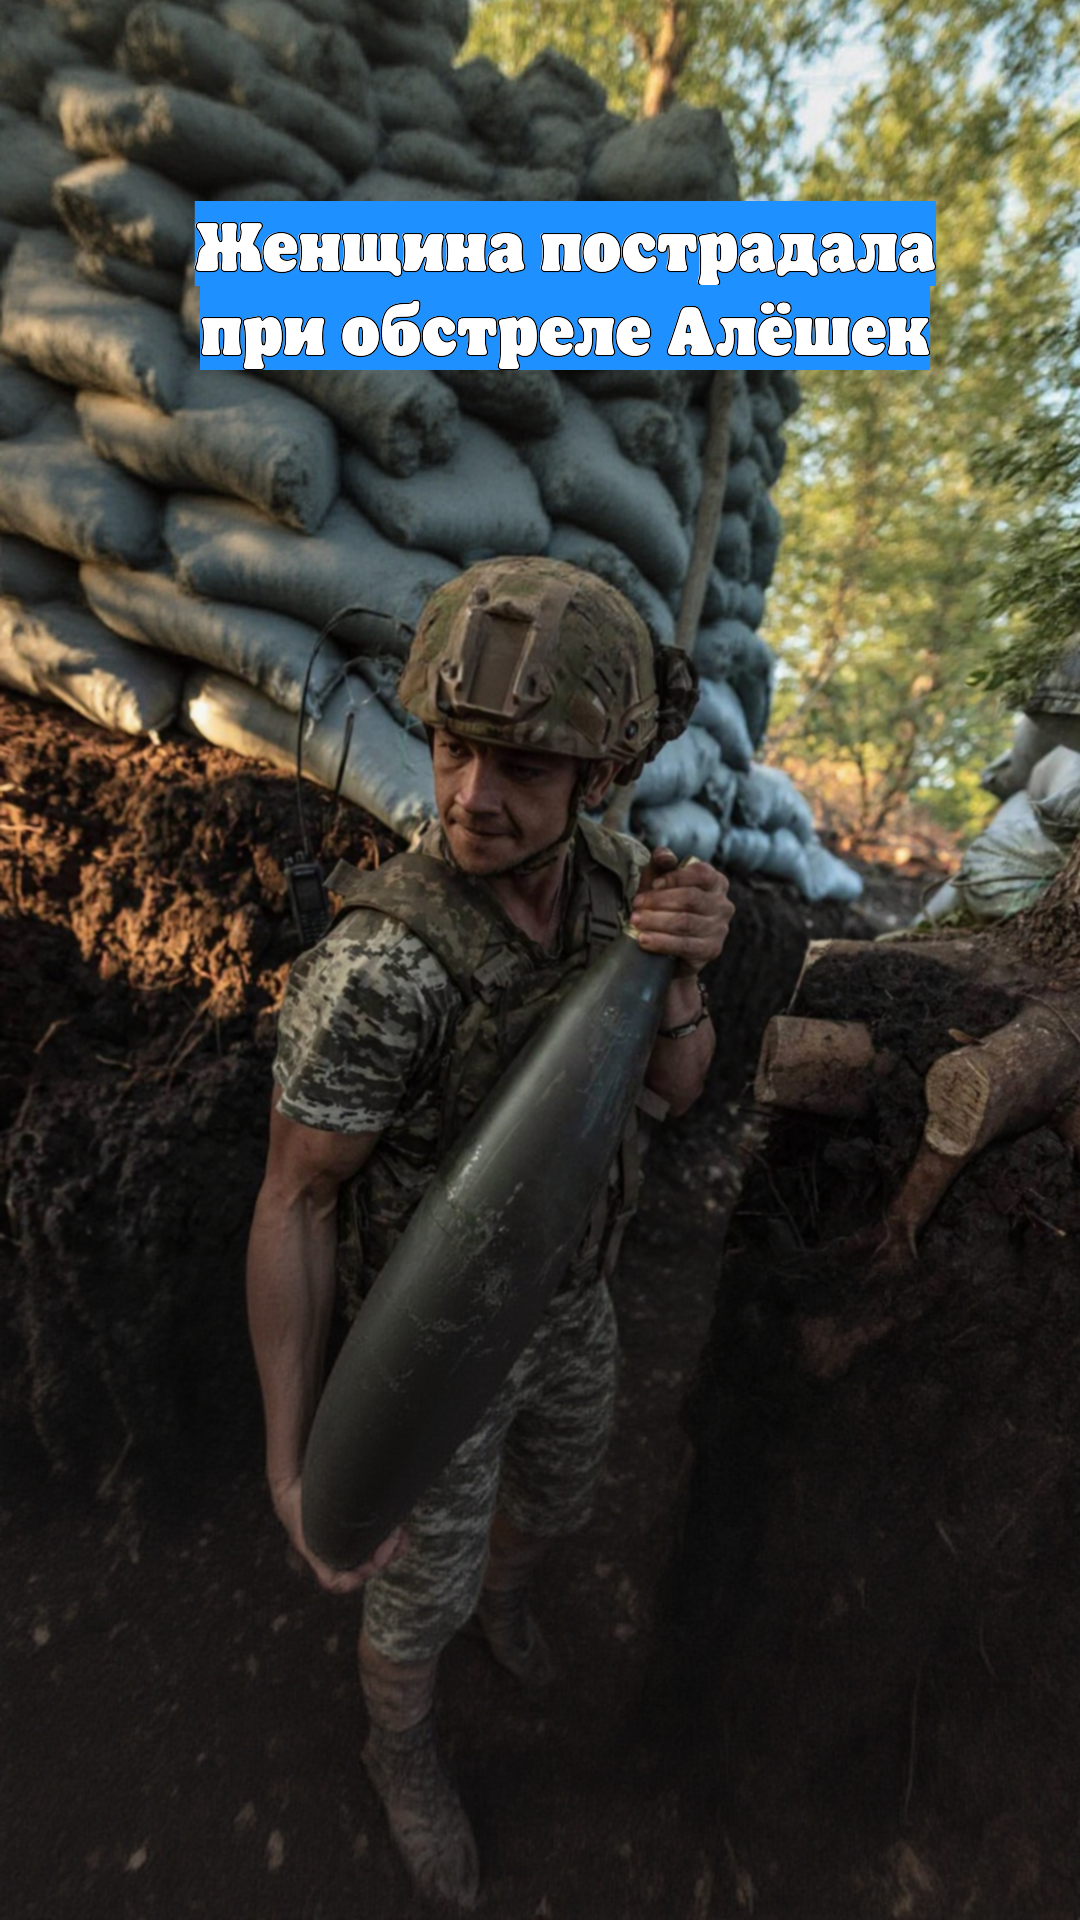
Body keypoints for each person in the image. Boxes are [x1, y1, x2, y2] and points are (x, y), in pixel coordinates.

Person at [246, 556, 734, 1909]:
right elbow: (297, 1200)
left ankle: (510, 1604)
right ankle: (399, 1744)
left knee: (562, 1500)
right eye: (457, 748)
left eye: (523, 766)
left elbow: (675, 1093)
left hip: (570, 1303)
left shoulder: (624, 886)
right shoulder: (384, 966)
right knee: (415, 1597)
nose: (471, 795)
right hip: (434, 1356)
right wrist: (296, 1472)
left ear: (601, 776)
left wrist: (685, 968)